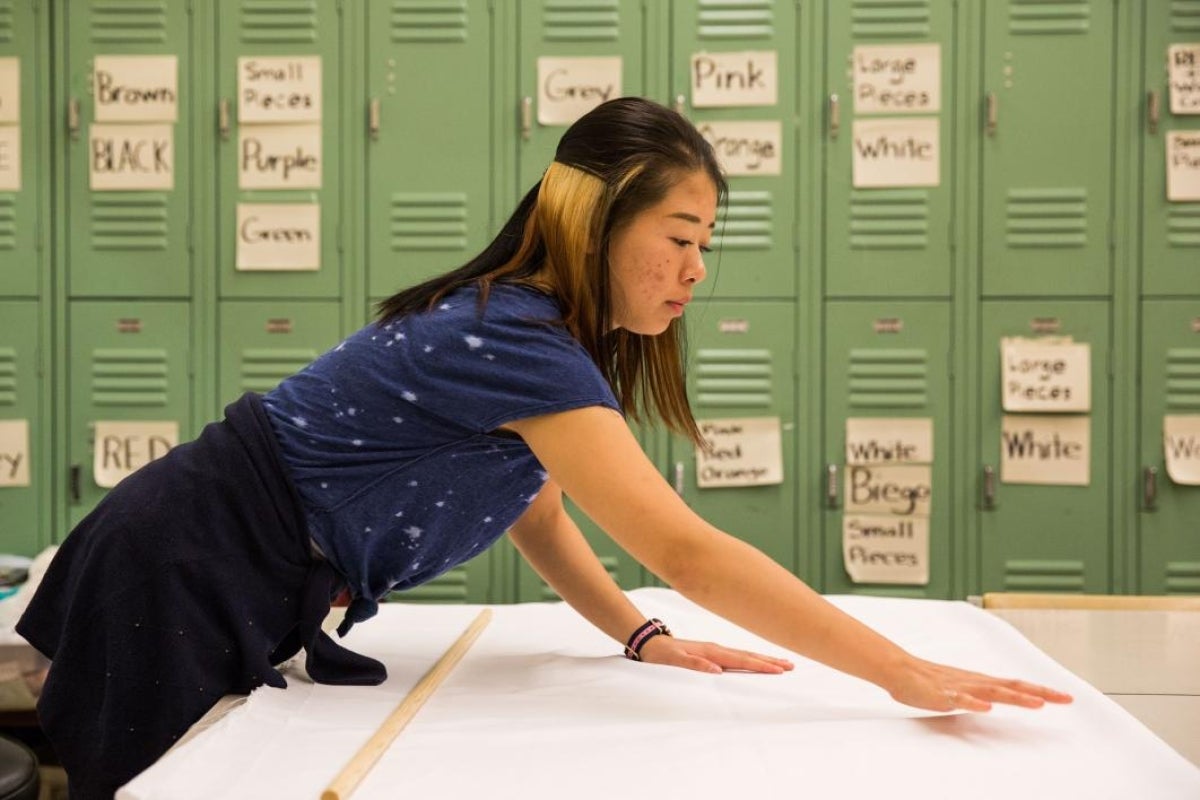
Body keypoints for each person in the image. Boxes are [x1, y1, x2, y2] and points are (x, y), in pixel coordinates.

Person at [17, 97, 1071, 799]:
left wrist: (640, 633)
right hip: (183, 562)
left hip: (211, 558)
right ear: (599, 222)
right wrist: (897, 670)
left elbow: (535, 504)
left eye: (709, 244)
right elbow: (690, 550)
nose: (697, 269)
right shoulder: (515, 336)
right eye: (679, 236)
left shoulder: (539, 339)